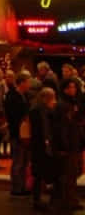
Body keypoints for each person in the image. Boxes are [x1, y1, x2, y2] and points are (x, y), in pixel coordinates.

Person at [54, 77, 82, 213]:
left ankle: (72, 200)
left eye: (75, 87)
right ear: (65, 89)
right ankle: (67, 202)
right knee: (68, 174)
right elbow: (62, 128)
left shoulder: (73, 102)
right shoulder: (63, 105)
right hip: (68, 144)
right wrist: (64, 146)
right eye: (71, 87)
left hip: (75, 142)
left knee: (74, 173)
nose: (74, 89)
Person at [29, 86, 57, 212]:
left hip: (44, 145)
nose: (54, 100)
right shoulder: (36, 110)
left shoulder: (46, 110)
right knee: (38, 174)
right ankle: (36, 200)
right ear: (45, 98)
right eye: (52, 98)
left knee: (44, 173)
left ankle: (42, 199)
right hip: (39, 147)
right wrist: (45, 142)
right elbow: (38, 130)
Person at [5, 70, 32, 196]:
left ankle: (22, 186)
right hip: (17, 133)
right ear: (21, 83)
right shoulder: (12, 96)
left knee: (24, 162)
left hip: (25, 133)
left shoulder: (25, 95)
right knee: (18, 162)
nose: (30, 84)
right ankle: (16, 187)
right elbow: (13, 116)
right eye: (28, 82)